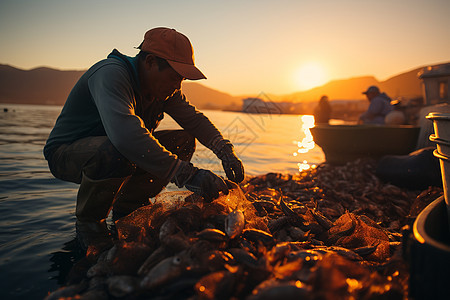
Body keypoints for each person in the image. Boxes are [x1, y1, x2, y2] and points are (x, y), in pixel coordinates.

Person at [43, 27, 245, 252]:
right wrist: (188, 174)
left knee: (184, 140)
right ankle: (90, 224)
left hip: (117, 150)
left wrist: (225, 149)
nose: (177, 85)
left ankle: (128, 208)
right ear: (150, 61)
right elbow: (125, 135)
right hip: (66, 153)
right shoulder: (111, 74)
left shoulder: (164, 89)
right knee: (119, 149)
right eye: (174, 76)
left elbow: (194, 120)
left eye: (182, 79)